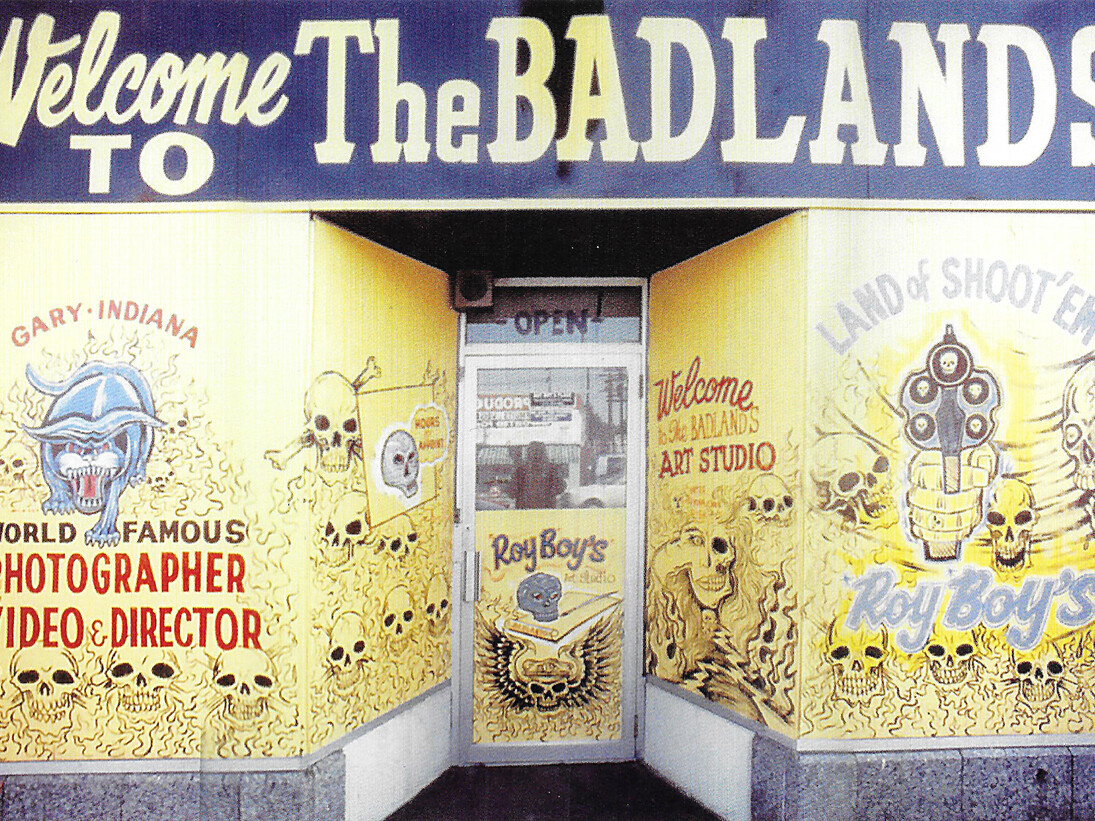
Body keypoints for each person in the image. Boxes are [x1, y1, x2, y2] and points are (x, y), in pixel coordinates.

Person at [509, 441, 566, 509]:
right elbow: (512, 491)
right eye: (534, 451)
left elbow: (511, 492)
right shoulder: (521, 470)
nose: (536, 455)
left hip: (540, 511)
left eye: (538, 452)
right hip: (533, 511)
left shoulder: (552, 470)